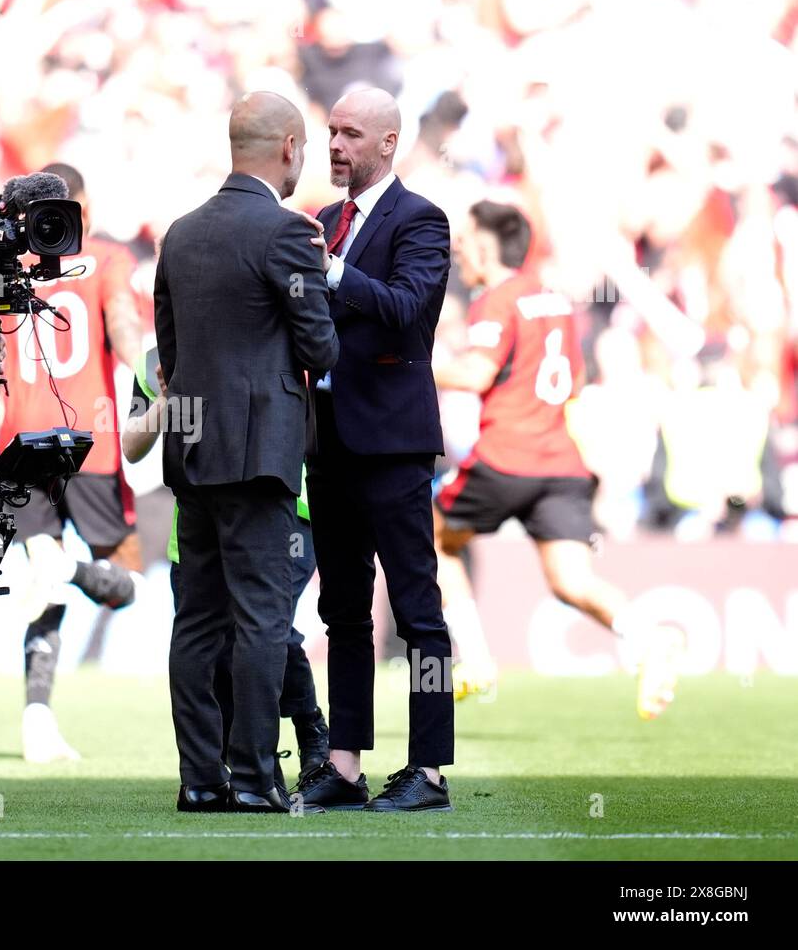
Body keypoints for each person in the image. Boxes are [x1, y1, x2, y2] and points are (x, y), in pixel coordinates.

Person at [155, 91, 338, 814]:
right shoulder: (288, 233)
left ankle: (202, 779)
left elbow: (169, 352)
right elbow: (318, 345)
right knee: (262, 617)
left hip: (193, 447)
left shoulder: (180, 233)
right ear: (290, 146)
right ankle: (255, 774)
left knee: (197, 618)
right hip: (260, 452)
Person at [433, 200, 683, 718]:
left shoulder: (496, 300)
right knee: (572, 582)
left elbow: (476, 376)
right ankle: (650, 639)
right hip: (562, 464)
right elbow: (571, 381)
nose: (459, 249)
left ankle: (476, 660)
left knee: (432, 537)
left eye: (465, 239)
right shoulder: (556, 303)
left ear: (485, 244)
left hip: (506, 456)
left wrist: (412, 368)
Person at [0, 162, 143, 763]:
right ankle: (70, 572)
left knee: (45, 581)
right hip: (93, 446)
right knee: (126, 583)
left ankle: (37, 720)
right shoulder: (106, 259)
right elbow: (125, 327)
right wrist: (156, 382)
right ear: (76, 208)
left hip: (19, 448)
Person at [299, 88, 455, 813]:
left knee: (418, 609)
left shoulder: (420, 219)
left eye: (350, 134)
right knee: (343, 612)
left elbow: (405, 308)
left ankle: (429, 769)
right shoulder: (325, 222)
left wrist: (325, 269)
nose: (334, 145)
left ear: (388, 143)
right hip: (328, 438)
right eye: (330, 131)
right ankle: (345, 764)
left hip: (393, 443)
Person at [122, 347, 331, 791]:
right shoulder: (154, 360)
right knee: (218, 644)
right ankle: (242, 767)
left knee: (261, 628)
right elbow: (132, 445)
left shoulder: (267, 331)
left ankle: (305, 734)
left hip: (290, 509)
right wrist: (166, 399)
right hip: (199, 519)